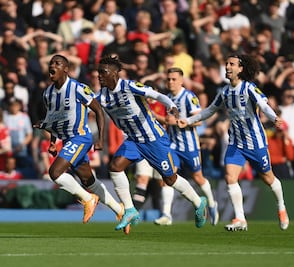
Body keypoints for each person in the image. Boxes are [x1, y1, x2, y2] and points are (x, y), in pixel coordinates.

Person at [95, 55, 208, 232]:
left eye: (103, 72)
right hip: (133, 140)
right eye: (98, 73)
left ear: (115, 73)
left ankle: (198, 202)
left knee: (170, 179)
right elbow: (88, 105)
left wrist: (171, 105)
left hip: (153, 139)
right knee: (115, 167)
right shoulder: (101, 96)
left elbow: (155, 94)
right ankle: (130, 210)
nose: (99, 76)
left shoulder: (129, 86)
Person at [178, 54, 290, 231]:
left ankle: (281, 208)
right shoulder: (224, 92)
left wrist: (274, 118)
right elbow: (209, 111)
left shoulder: (249, 88)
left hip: (255, 142)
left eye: (232, 64)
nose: (227, 67)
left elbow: (264, 105)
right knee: (230, 176)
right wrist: (189, 121)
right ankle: (240, 218)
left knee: (268, 178)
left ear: (241, 69)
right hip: (236, 142)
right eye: (226, 63)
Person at [33, 55, 125, 228]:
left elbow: (98, 111)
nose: (52, 65)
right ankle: (119, 210)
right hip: (67, 140)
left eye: (57, 63)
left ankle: (88, 198)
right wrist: (53, 141)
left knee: (55, 173)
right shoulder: (48, 93)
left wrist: (100, 140)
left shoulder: (78, 88)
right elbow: (53, 119)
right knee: (88, 180)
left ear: (66, 69)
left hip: (81, 137)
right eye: (51, 63)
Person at [153, 67, 219, 226]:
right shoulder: (167, 98)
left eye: (174, 79)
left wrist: (178, 122)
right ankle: (166, 214)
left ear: (181, 81)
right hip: (173, 144)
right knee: (168, 176)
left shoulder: (189, 97)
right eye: (168, 79)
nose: (170, 82)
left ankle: (211, 203)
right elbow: (168, 121)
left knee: (198, 177)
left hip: (190, 146)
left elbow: (199, 120)